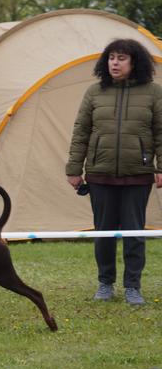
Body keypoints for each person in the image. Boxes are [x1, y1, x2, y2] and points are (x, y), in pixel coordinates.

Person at [66, 39, 162, 306]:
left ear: (135, 63)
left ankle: (133, 286)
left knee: (135, 234)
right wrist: (74, 169)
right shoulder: (94, 92)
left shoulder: (154, 93)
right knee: (103, 233)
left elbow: (160, 133)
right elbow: (81, 133)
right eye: (111, 58)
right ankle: (105, 283)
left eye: (121, 58)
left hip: (138, 175)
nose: (115, 63)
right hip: (99, 174)